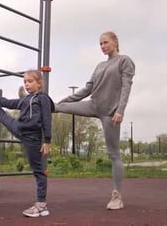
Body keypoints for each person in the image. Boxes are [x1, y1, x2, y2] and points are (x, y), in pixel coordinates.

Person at [54, 31, 135, 210]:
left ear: (115, 42)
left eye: (105, 42)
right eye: (100, 44)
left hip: (110, 113)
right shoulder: (99, 66)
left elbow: (126, 87)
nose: (102, 46)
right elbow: (87, 89)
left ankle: (117, 195)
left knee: (114, 154)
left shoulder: (124, 61)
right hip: (93, 105)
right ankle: (36, 103)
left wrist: (120, 110)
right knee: (57, 106)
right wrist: (67, 100)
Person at [0, 70, 55, 218]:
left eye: (30, 81)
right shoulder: (24, 100)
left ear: (39, 83)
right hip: (19, 129)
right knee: (3, 116)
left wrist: (47, 141)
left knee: (38, 171)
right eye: (25, 82)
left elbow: (47, 120)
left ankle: (41, 205)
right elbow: (9, 103)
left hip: (33, 139)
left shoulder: (43, 99)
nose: (27, 84)